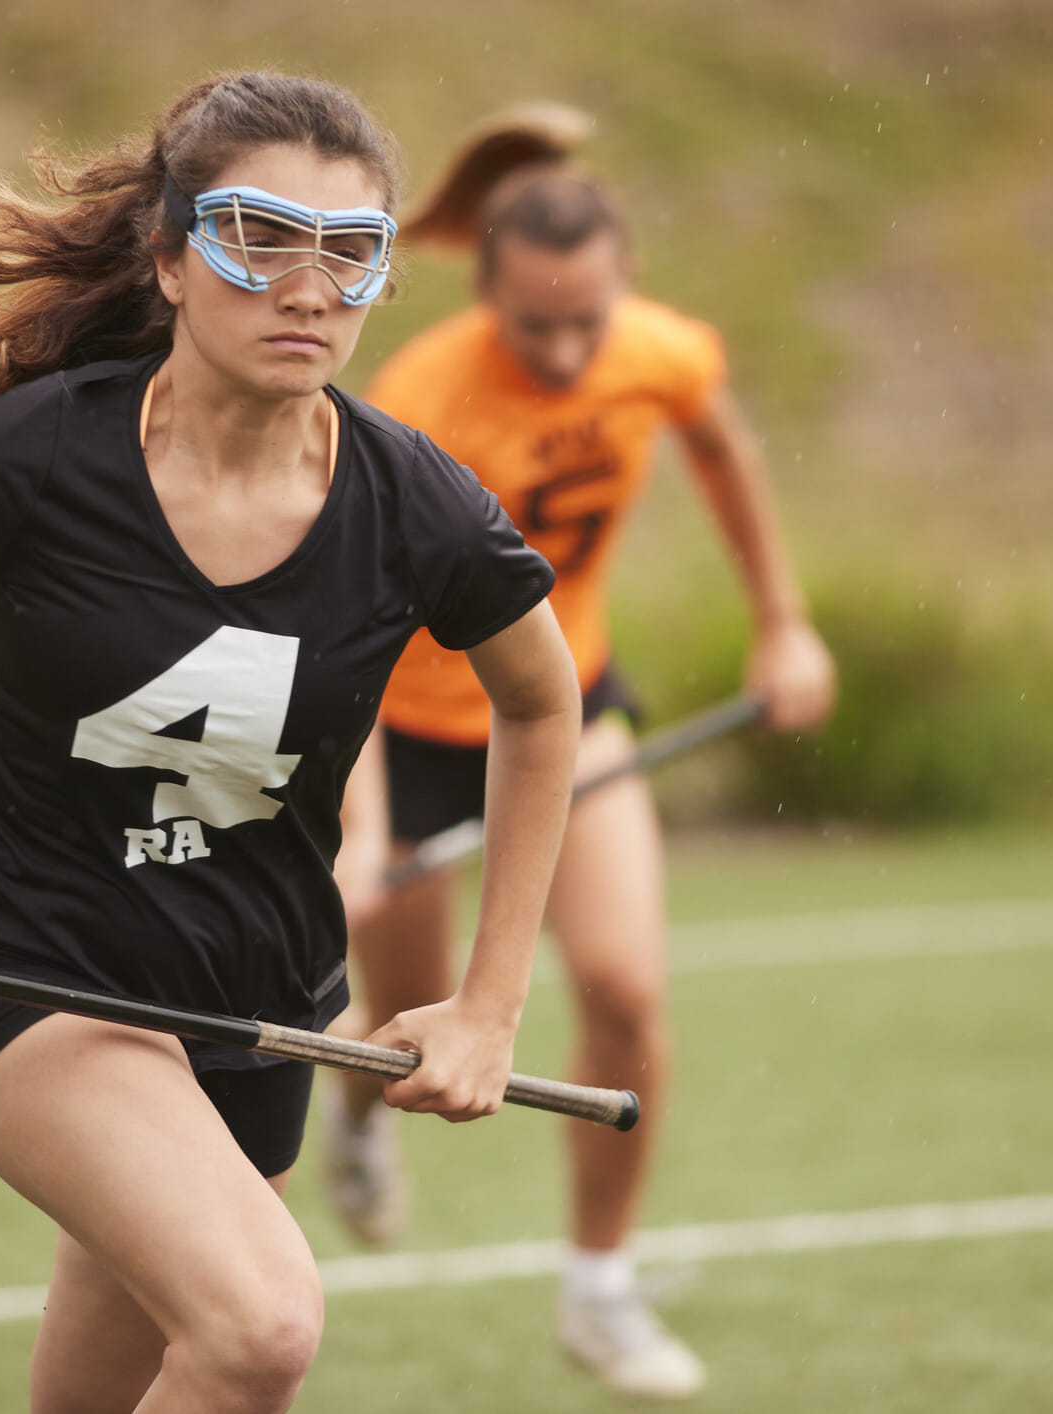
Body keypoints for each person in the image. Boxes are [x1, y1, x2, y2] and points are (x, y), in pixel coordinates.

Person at [0, 73, 582, 1414]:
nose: (308, 288)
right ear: (171, 255)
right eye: (259, 238)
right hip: (24, 963)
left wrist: (489, 1005)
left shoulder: (418, 505)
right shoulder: (31, 455)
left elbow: (543, 705)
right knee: (259, 1326)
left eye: (351, 253)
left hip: (254, 1000)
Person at [325, 104, 838, 1401]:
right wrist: (363, 824)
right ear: (482, 291)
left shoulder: (656, 353)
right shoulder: (417, 399)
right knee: (398, 1016)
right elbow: (344, 627)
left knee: (621, 989)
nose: (563, 350)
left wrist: (783, 623)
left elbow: (723, 444)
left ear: (625, 285)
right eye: (533, 323)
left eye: (586, 320)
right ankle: (351, 1123)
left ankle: (601, 1287)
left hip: (561, 707)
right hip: (401, 720)